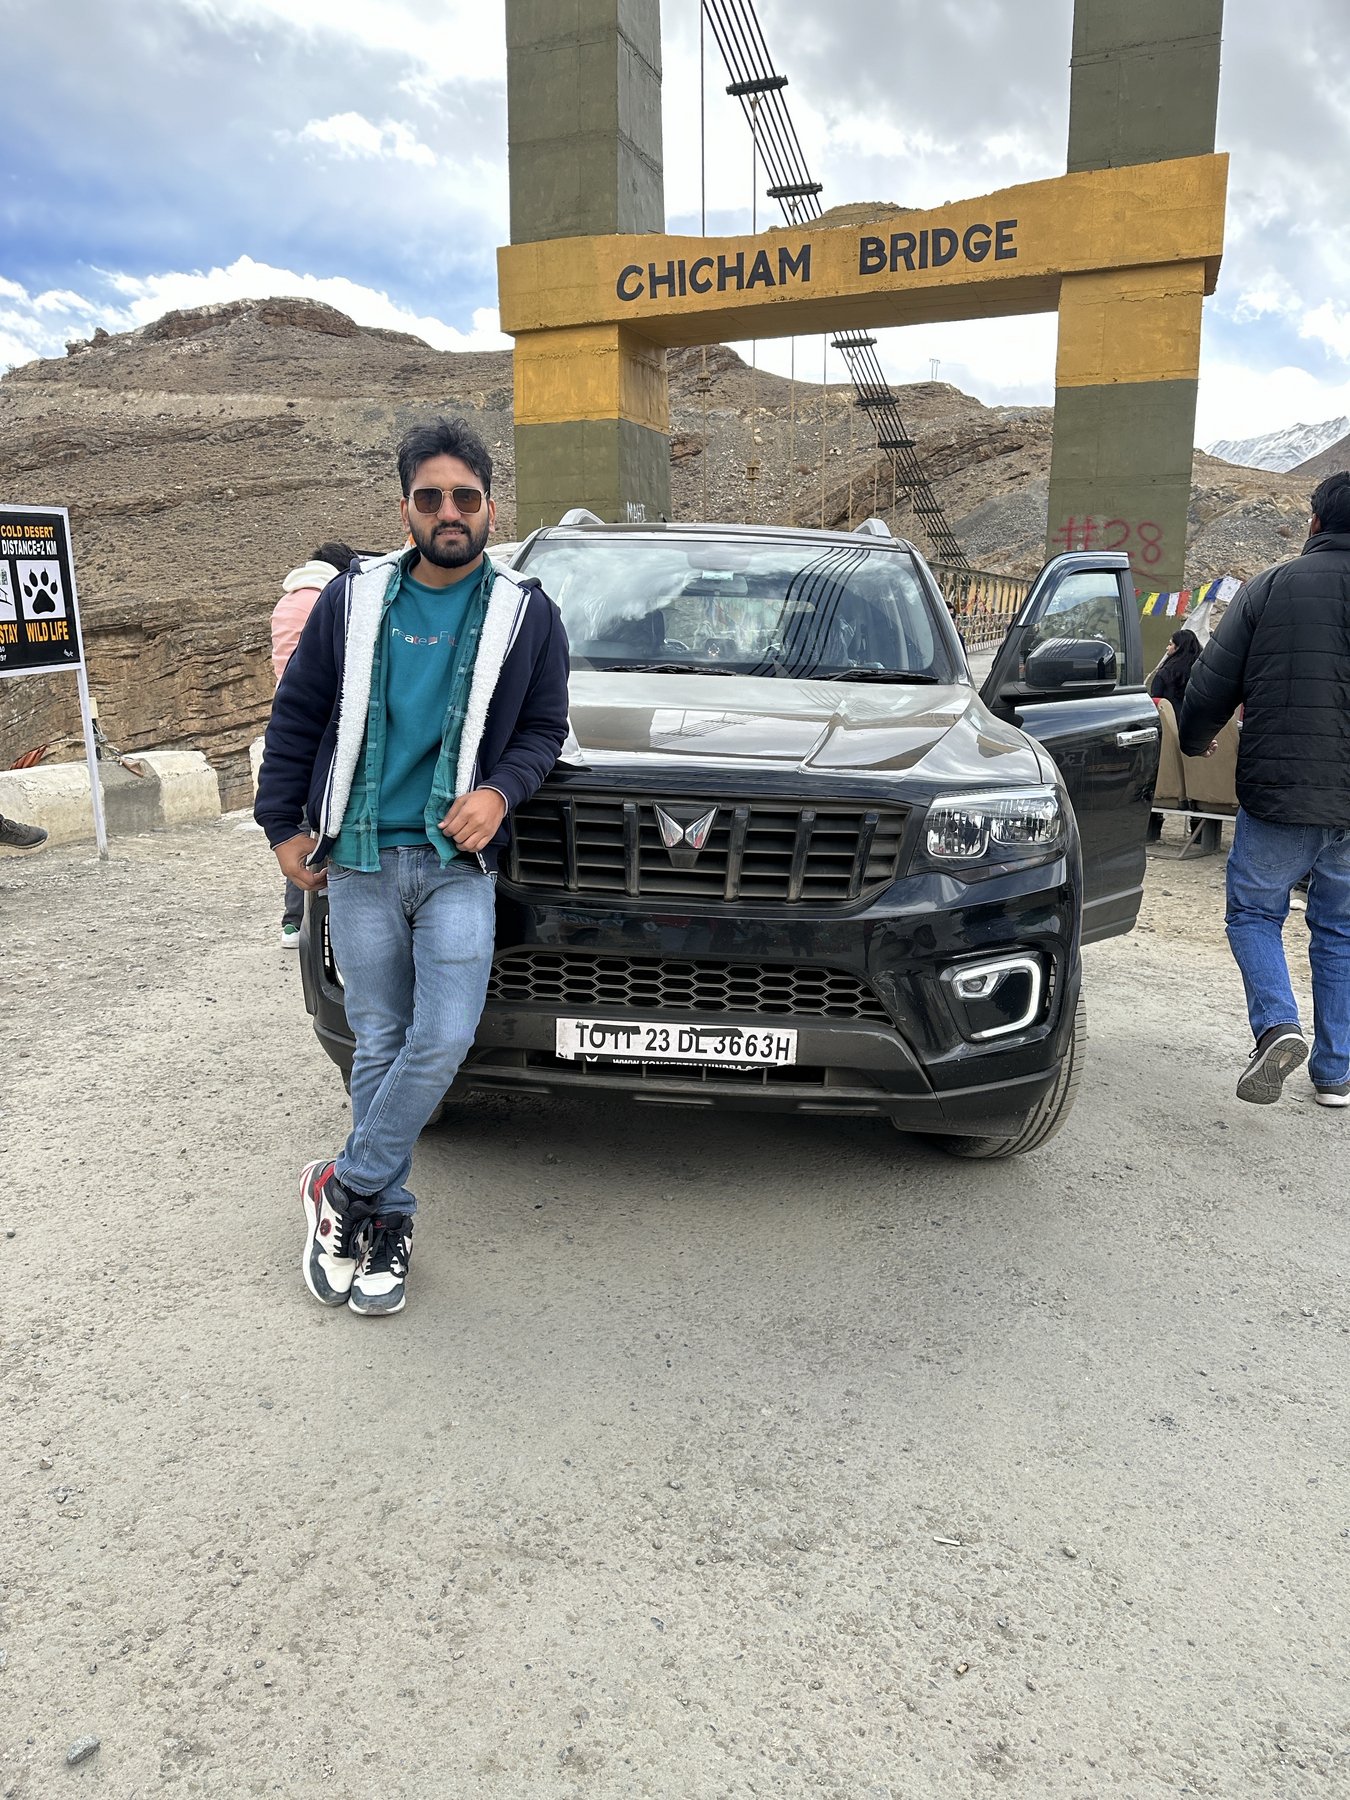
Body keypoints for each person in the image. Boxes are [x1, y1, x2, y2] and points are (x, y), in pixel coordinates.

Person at [255, 418, 570, 1315]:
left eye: (465, 497)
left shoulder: (525, 612)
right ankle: (385, 1221)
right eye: (430, 498)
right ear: (405, 510)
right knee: (381, 1040)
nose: (448, 512)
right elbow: (299, 714)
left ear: (491, 507)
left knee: (442, 1037)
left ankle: (341, 1187)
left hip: (454, 863)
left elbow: (545, 728)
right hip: (357, 857)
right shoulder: (352, 603)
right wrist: (280, 823)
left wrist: (500, 792)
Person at [1180, 471, 1350, 1108]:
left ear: (1315, 523)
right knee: (1341, 931)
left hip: (1282, 790)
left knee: (1254, 912)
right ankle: (1335, 1073)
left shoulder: (1272, 586)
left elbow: (1212, 679)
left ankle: (1278, 1026)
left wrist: (1194, 739)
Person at [269, 540, 358, 946]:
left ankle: (293, 922)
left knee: (300, 827)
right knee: (320, 823)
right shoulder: (329, 600)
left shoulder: (285, 602)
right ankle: (315, 917)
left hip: (290, 713)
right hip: (325, 722)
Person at [1145, 627, 1203, 842]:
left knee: (1160, 779)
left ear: (1178, 648)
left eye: (1170, 644)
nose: (1167, 648)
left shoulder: (1164, 673)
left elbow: (1155, 703)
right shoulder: (1202, 672)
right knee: (1199, 780)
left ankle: (1154, 825)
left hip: (1169, 734)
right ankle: (1200, 829)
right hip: (1195, 733)